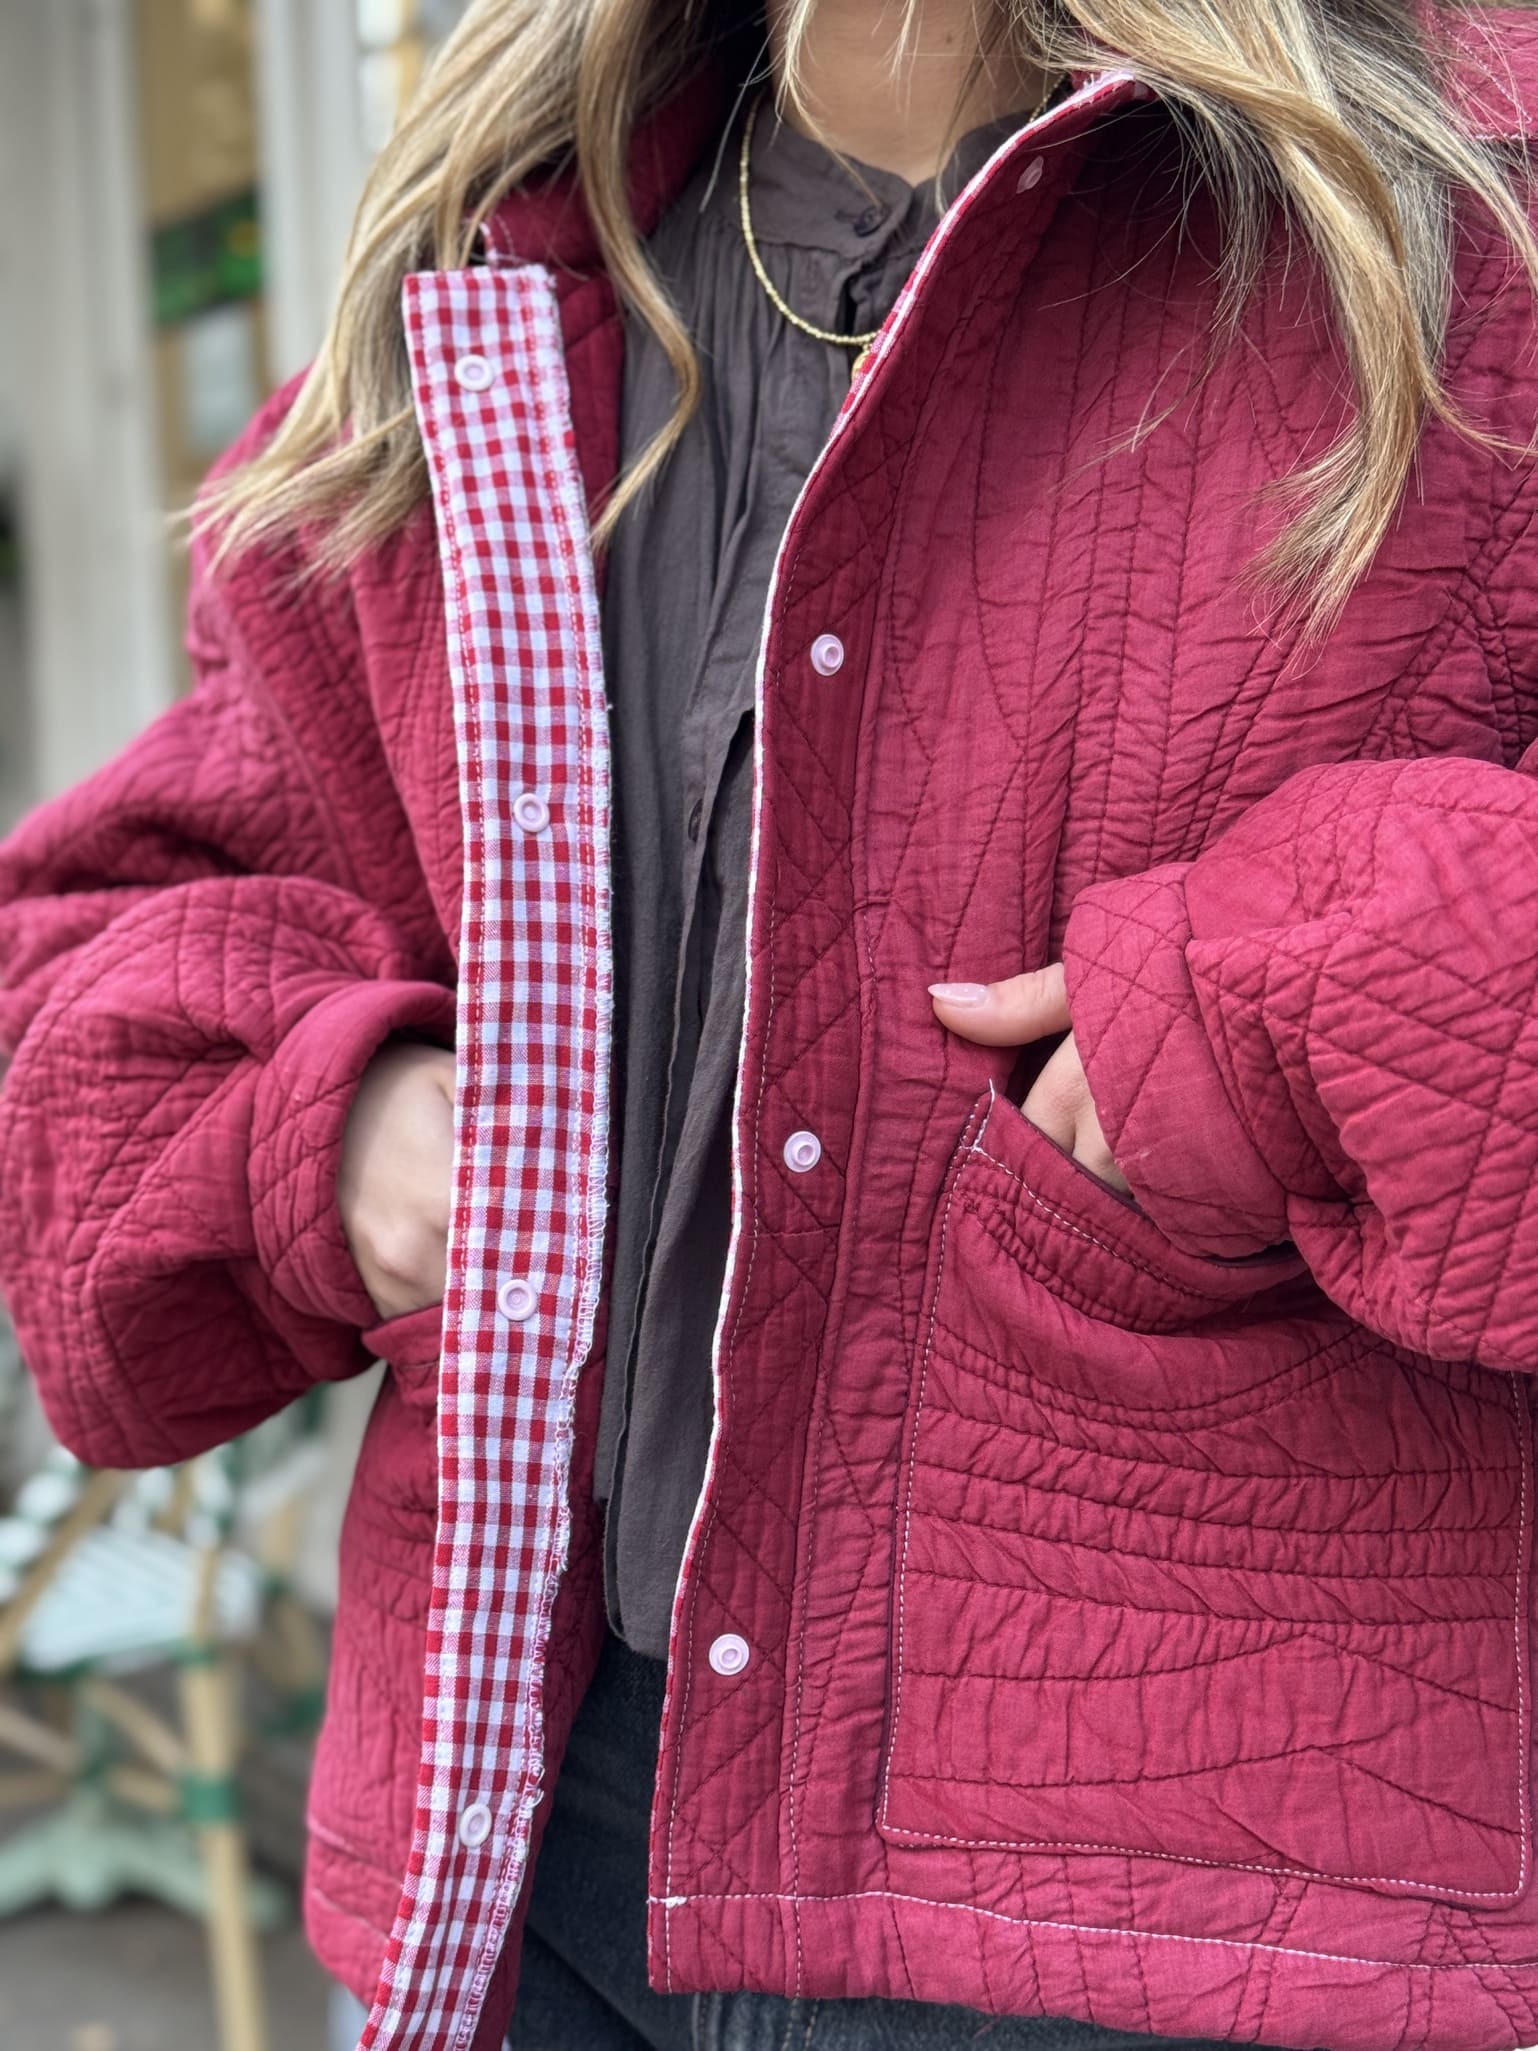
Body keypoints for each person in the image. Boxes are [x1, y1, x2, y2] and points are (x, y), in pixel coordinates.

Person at [6, 0, 1538, 2045]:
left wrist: (1280, 1009)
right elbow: (95, 940)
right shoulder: (498, 283)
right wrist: (337, 1128)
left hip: (1202, 1904)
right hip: (535, 1841)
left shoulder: (1469, 201)